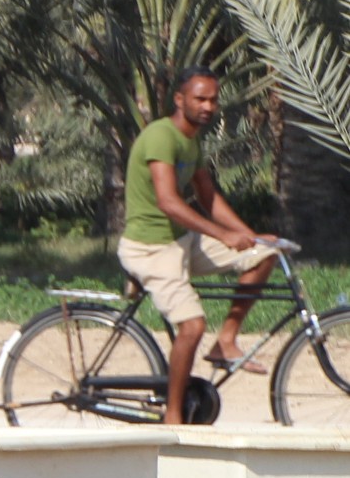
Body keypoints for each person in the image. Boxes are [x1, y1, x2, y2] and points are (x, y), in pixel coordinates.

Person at [118, 68, 284, 423]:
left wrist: (249, 236)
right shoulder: (162, 136)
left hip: (180, 242)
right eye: (200, 99)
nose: (209, 106)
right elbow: (170, 202)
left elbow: (208, 197)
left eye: (213, 99)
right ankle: (173, 415)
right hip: (150, 249)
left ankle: (225, 341)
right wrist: (222, 235)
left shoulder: (191, 140)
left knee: (264, 255)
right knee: (191, 326)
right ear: (180, 100)